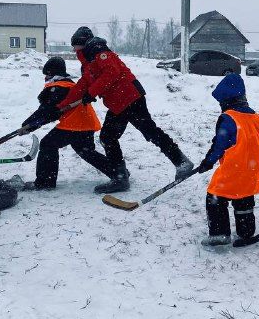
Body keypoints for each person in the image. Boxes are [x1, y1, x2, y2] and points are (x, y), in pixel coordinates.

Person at [47, 26, 194, 194]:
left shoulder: (100, 52)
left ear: (82, 43)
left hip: (130, 97)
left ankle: (180, 161)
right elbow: (82, 86)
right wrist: (60, 107)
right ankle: (120, 176)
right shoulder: (88, 63)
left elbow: (112, 72)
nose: (74, 49)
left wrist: (92, 92)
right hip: (118, 103)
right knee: (108, 137)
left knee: (148, 131)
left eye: (75, 46)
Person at [197, 74, 259, 246]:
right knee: (244, 198)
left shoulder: (228, 119)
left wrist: (208, 162)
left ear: (226, 101)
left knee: (215, 197)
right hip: (253, 169)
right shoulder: (256, 118)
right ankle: (246, 232)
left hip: (233, 169)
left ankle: (219, 233)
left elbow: (219, 145)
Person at [20, 56, 115, 190]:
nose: (45, 78)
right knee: (86, 151)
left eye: (46, 74)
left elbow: (47, 111)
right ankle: (118, 172)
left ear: (51, 73)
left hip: (74, 124)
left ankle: (45, 182)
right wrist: (31, 125)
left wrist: (28, 125)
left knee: (48, 144)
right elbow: (53, 113)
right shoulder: (68, 85)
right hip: (85, 123)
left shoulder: (58, 88)